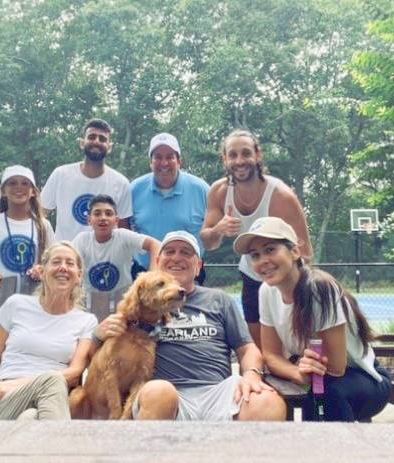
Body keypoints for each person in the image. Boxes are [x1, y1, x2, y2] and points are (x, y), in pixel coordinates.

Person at [233, 216, 392, 422]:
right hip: (321, 379)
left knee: (324, 398)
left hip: (365, 379)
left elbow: (336, 367)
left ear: (295, 251)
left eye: (270, 249)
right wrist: (297, 372)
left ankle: (336, 451)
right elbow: (271, 356)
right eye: (255, 255)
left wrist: (304, 368)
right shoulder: (266, 291)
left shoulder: (319, 288)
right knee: (284, 396)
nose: (263, 260)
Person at [129, 230, 286, 421]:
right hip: (168, 392)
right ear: (157, 263)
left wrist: (252, 375)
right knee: (159, 392)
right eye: (169, 252)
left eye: (186, 253)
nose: (176, 258)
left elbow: (247, 349)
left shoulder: (219, 300)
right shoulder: (142, 302)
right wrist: (98, 335)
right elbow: (116, 343)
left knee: (267, 402)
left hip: (218, 390)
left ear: (198, 266)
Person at [201, 129, 313, 347]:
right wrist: (218, 229)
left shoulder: (280, 195)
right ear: (225, 159)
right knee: (261, 348)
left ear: (258, 155)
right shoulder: (220, 191)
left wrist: (285, 279)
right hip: (252, 277)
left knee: (295, 345)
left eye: (246, 153)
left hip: (287, 280)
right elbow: (208, 242)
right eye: (232, 155)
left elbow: (305, 251)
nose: (239, 161)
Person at [0, 241, 98, 420]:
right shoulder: (17, 305)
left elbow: (76, 372)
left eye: (69, 263)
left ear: (79, 276)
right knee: (53, 380)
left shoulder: (85, 321)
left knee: (29, 417)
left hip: (47, 401)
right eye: (56, 262)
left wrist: (19, 384)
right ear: (42, 272)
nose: (63, 268)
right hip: (2, 400)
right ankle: (66, 447)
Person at [130, 133, 209, 283]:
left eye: (170, 157)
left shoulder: (202, 190)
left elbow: (211, 234)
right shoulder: (134, 190)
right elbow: (125, 231)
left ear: (179, 161)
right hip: (145, 274)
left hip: (188, 276)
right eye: (158, 157)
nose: (164, 163)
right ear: (150, 162)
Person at [41, 118, 132, 241]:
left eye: (102, 139)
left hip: (103, 258)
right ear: (82, 142)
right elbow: (40, 213)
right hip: (66, 257)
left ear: (110, 147)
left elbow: (123, 229)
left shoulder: (121, 183)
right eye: (91, 137)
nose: (96, 141)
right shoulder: (61, 174)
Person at [0, 165, 55, 289]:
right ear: (3, 191)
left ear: (33, 192)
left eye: (25, 183)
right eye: (12, 183)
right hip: (0, 296)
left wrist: (42, 270)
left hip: (35, 297)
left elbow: (53, 261)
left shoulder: (43, 225)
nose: (19, 187)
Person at [72, 194, 160, 293]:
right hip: (89, 303)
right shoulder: (81, 240)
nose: (103, 218)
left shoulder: (123, 236)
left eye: (108, 214)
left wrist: (153, 275)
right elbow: (69, 263)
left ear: (116, 221)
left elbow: (155, 244)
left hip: (124, 304)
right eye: (97, 214)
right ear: (89, 220)